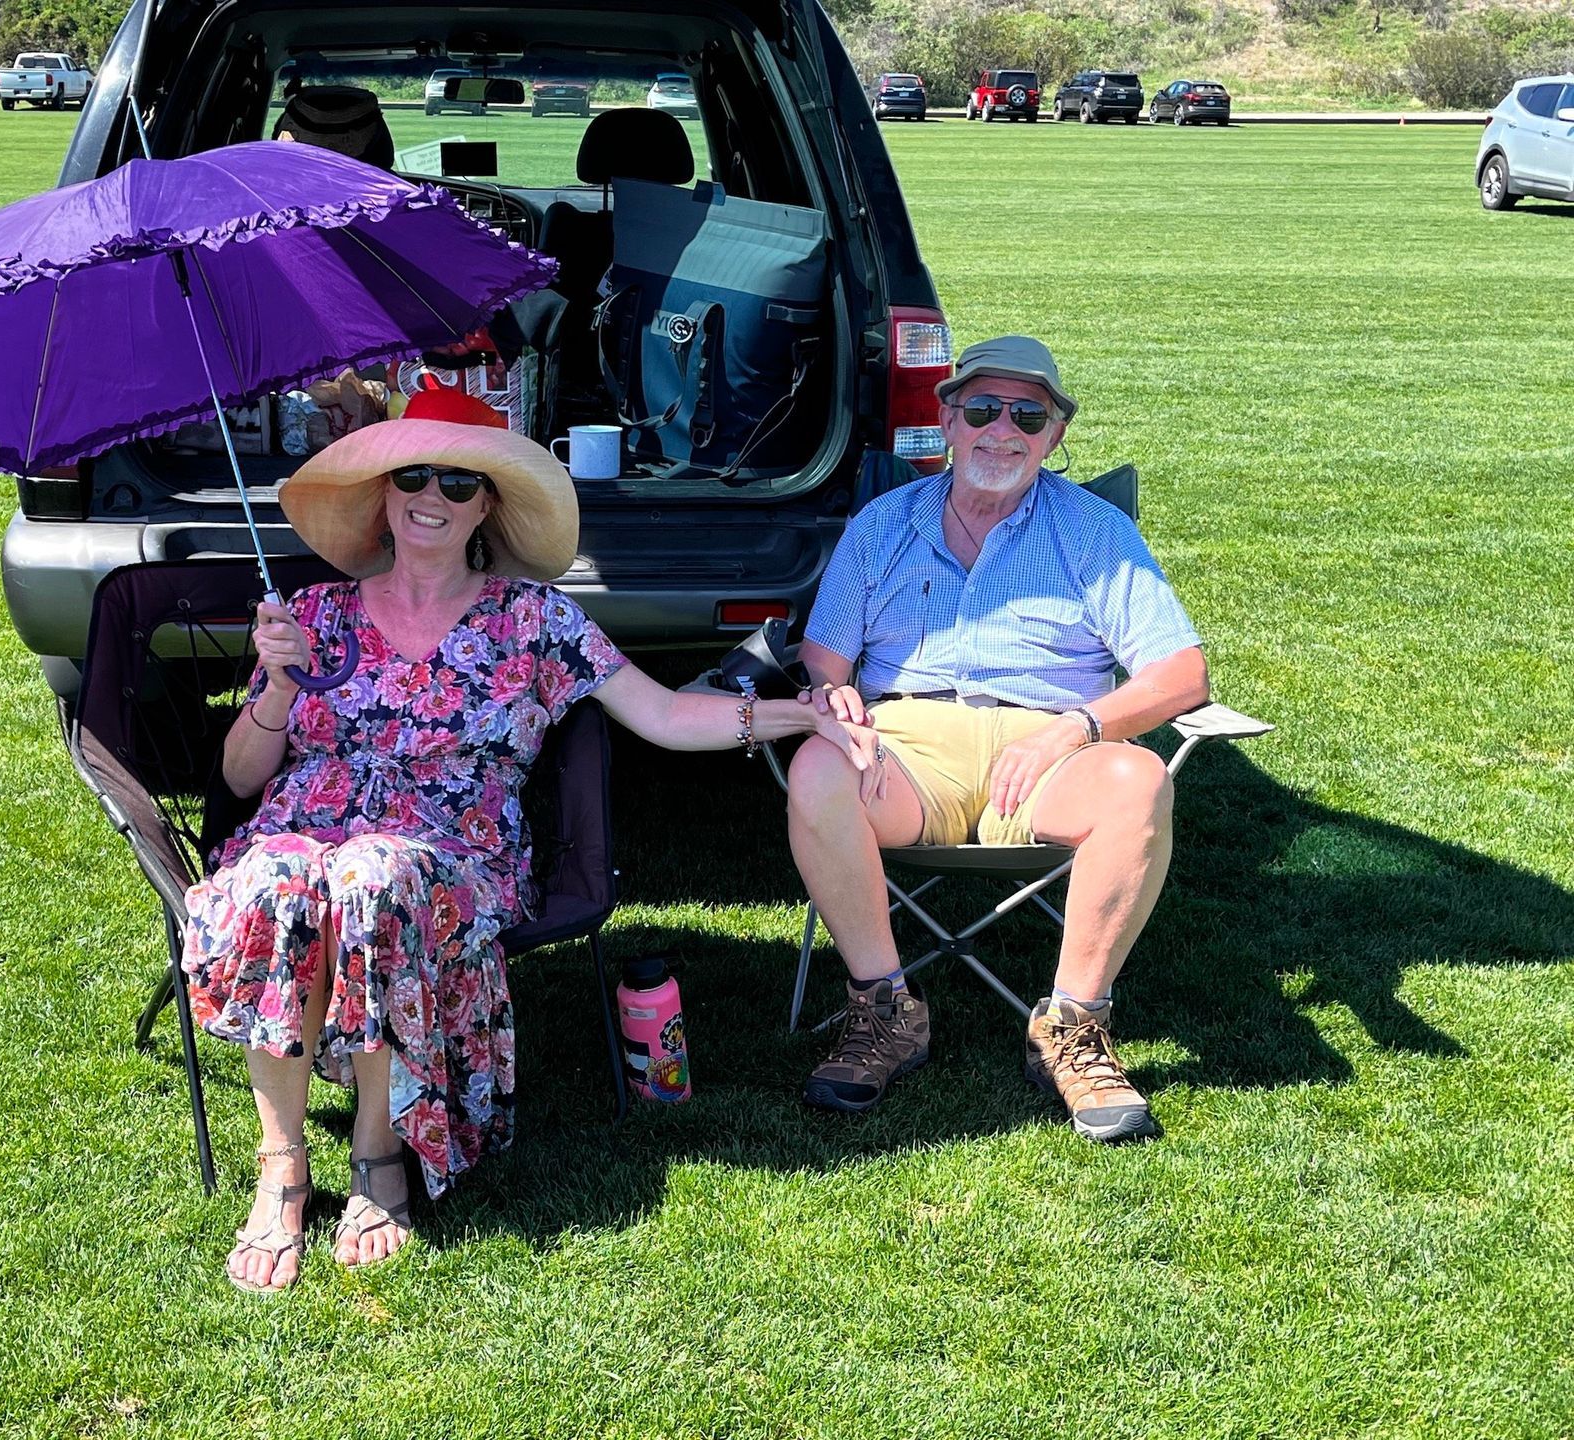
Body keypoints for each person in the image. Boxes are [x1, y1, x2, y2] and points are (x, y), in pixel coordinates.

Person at [185, 376, 880, 1293]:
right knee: (279, 877)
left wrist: (798, 716)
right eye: (415, 476)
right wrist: (276, 685)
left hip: (447, 852)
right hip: (302, 830)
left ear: (488, 507)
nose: (432, 498)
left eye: (460, 484)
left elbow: (667, 716)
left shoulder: (535, 620)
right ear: (383, 494)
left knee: (371, 873)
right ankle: (281, 1164)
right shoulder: (314, 615)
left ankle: (375, 1156)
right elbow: (239, 781)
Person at [787, 335, 1208, 1141]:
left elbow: (1182, 676)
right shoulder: (883, 525)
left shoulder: (1094, 532)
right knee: (816, 766)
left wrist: (1078, 727)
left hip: (1051, 747)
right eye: (982, 408)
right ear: (947, 421)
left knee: (1142, 780)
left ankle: (1073, 1029)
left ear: (1056, 435)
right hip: (910, 745)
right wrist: (831, 694)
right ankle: (885, 1012)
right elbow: (825, 655)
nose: (1002, 430)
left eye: (1028, 413)